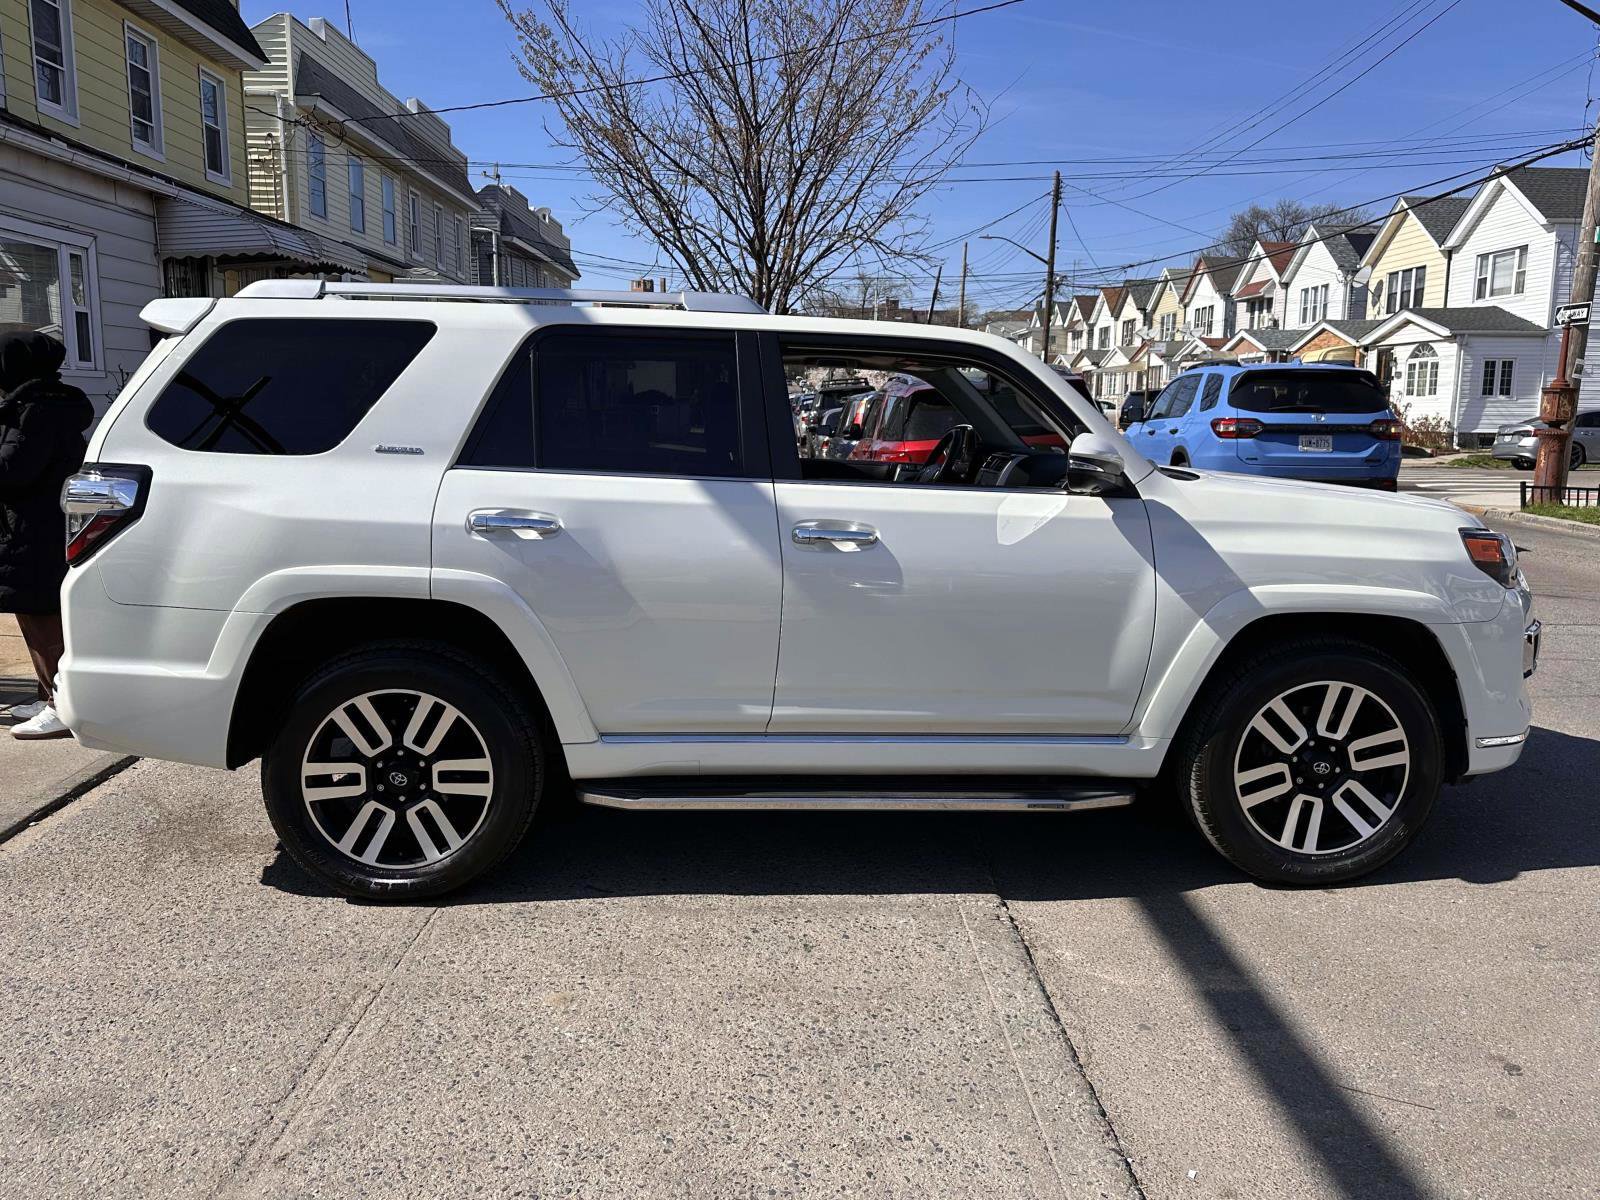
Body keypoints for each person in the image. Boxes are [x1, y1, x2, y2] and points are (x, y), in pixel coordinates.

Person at [0, 332, 93, 740]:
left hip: (34, 526)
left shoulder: (35, 410)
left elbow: (13, 471)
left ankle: (60, 704)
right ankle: (47, 693)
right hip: (39, 522)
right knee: (34, 610)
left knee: (42, 617)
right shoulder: (46, 403)